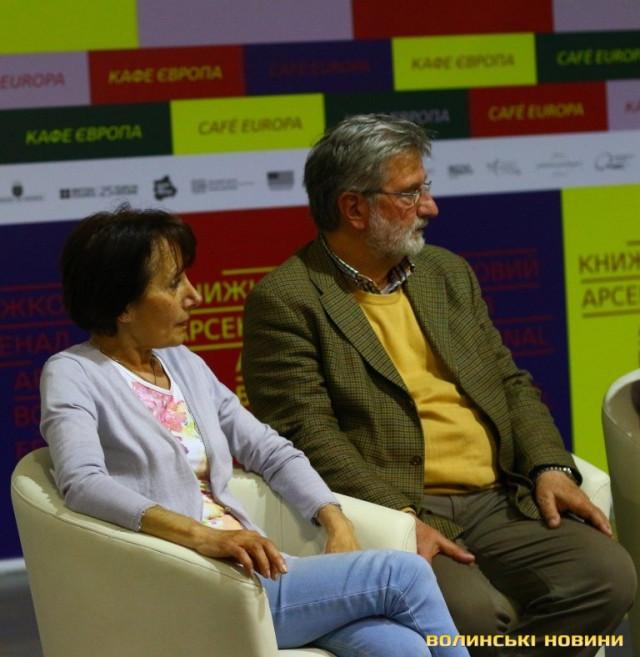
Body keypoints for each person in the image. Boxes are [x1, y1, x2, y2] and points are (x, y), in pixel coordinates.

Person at [242, 114, 637, 656]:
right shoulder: (287, 299)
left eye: (424, 188)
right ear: (354, 208)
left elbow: (509, 381)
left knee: (607, 576)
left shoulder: (445, 273)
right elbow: (307, 432)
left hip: (497, 498)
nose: (430, 206)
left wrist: (550, 465)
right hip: (397, 505)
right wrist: (400, 519)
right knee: (476, 616)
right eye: (410, 193)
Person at [39, 203, 469, 657]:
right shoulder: (72, 373)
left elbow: (269, 449)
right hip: (187, 580)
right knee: (404, 574)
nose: (194, 295)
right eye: (173, 283)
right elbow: (83, 483)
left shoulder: (182, 363)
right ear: (123, 304)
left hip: (251, 569)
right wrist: (205, 536)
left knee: (399, 646)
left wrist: (334, 517)